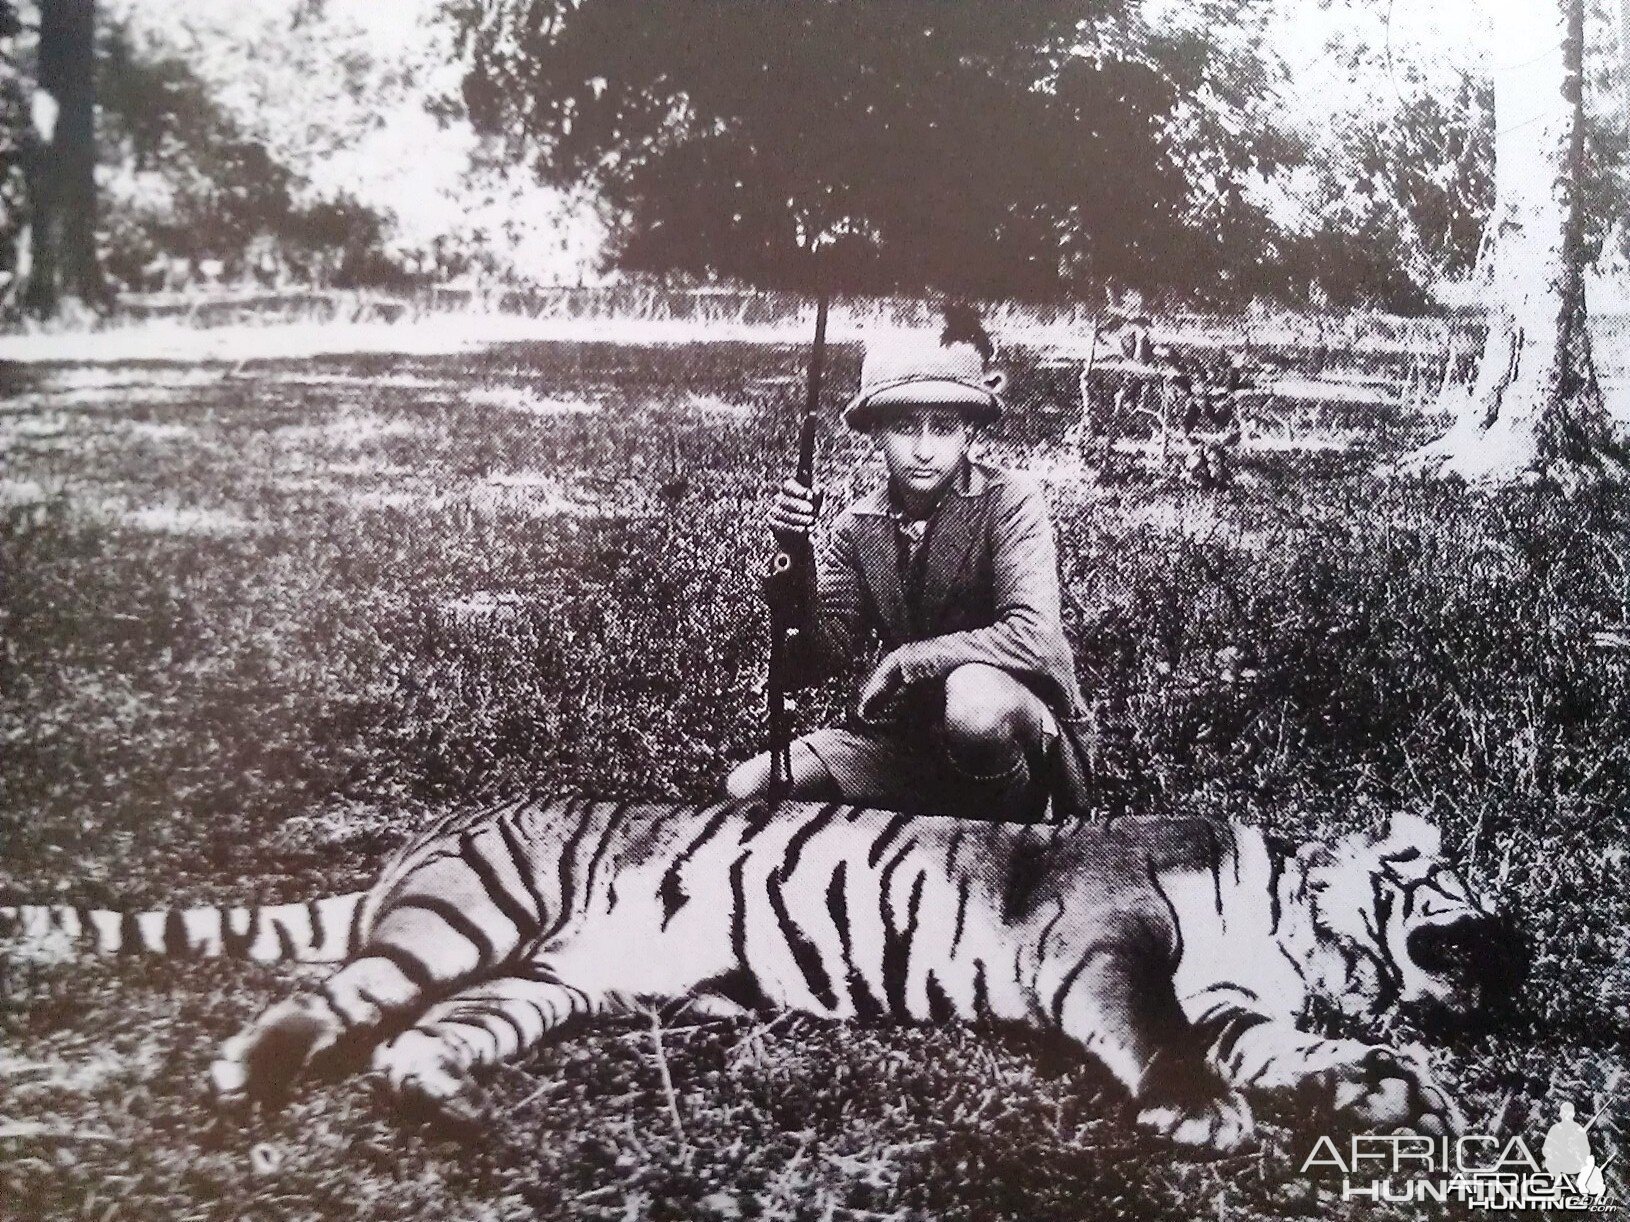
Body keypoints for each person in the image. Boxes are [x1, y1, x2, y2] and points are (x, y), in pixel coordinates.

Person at [724, 318, 1095, 822]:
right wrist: (800, 573)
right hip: (911, 743)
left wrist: (908, 660)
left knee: (973, 700)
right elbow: (822, 658)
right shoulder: (858, 527)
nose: (924, 450)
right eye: (904, 427)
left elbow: (1033, 635)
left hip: (1013, 737)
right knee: (749, 788)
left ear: (969, 432)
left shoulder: (1010, 501)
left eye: (943, 427)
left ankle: (1025, 827)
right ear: (876, 431)